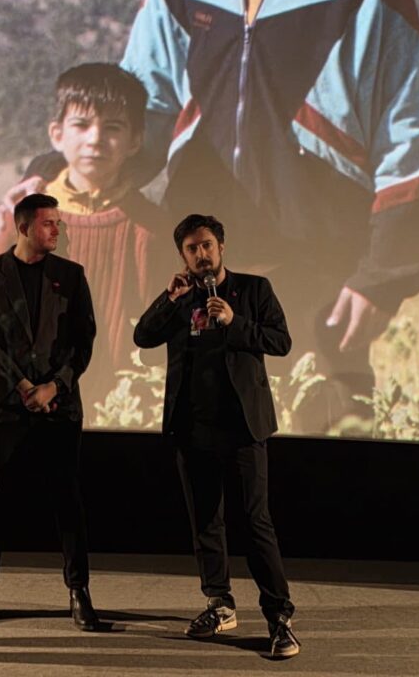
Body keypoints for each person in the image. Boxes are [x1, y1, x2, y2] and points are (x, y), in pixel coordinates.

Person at [15, 0, 419, 430]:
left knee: (322, 442)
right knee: (188, 448)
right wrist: (51, 175)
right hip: (195, 267)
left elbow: (408, 137)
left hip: (322, 262)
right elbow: (131, 118)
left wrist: (382, 277)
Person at [0, 63, 169, 416]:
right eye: (81, 125)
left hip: (115, 407)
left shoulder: (149, 227)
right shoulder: (23, 220)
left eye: (113, 127)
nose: (95, 138)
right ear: (56, 134)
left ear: (135, 141)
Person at [133, 213, 300, 660]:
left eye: (206, 245)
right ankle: (219, 604)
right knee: (206, 521)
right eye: (192, 248)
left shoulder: (254, 289)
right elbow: (142, 336)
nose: (201, 254)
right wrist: (168, 299)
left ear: (221, 247)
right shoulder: (180, 298)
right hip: (193, 428)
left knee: (255, 522)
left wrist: (234, 321)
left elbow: (281, 341)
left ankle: (279, 617)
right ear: (182, 255)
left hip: (243, 428)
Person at [0, 193, 100, 631]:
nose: (57, 230)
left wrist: (55, 385)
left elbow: (83, 341)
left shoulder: (71, 275)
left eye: (58, 223)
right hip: (2, 406)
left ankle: (79, 593)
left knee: (68, 499)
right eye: (49, 223)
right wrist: (22, 386)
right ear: (24, 227)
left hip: (59, 405)